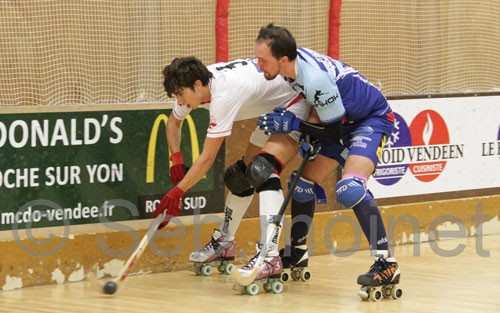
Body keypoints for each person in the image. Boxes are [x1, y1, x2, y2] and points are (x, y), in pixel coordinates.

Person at [254, 24, 401, 299]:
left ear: (283, 59)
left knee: (350, 189)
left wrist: (295, 124)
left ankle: (386, 264)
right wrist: (304, 128)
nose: (258, 65)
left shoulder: (313, 78)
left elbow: (332, 131)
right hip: (340, 120)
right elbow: (319, 110)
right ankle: (297, 251)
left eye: (263, 60)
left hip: (369, 120)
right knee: (301, 185)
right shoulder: (291, 69)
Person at [153, 56, 315, 285]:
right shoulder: (195, 82)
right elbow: (173, 123)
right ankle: (225, 243)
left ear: (197, 86)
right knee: (241, 177)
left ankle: (269, 256)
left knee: (263, 170)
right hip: (273, 108)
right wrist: (176, 159)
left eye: (180, 94)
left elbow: (207, 158)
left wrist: (177, 192)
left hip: (296, 102)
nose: (180, 101)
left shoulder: (223, 94)